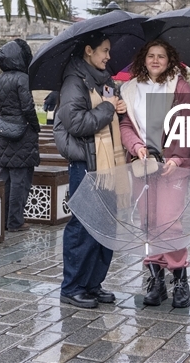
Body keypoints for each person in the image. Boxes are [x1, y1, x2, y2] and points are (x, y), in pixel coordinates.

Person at [117, 39, 190, 308]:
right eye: (150, 55)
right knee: (149, 222)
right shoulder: (129, 89)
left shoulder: (179, 86)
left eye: (161, 56)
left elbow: (187, 122)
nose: (155, 60)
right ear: (143, 59)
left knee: (170, 222)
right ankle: (155, 280)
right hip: (143, 166)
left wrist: (177, 157)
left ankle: (180, 279)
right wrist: (136, 146)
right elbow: (126, 124)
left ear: (169, 59)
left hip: (172, 167)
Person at [53, 31, 127, 309]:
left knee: (106, 225)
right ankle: (72, 287)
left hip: (108, 164)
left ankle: (93, 284)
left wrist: (117, 104)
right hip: (86, 163)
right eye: (104, 51)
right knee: (84, 226)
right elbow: (76, 123)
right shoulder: (74, 82)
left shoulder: (103, 79)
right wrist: (109, 108)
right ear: (88, 51)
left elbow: (108, 114)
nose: (108, 56)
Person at [0, 39, 41, 233]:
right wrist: (35, 125)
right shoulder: (22, 78)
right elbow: (28, 106)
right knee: (20, 180)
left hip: (4, 131)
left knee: (5, 178)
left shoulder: (0, 79)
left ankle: (3, 219)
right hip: (22, 133)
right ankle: (15, 221)